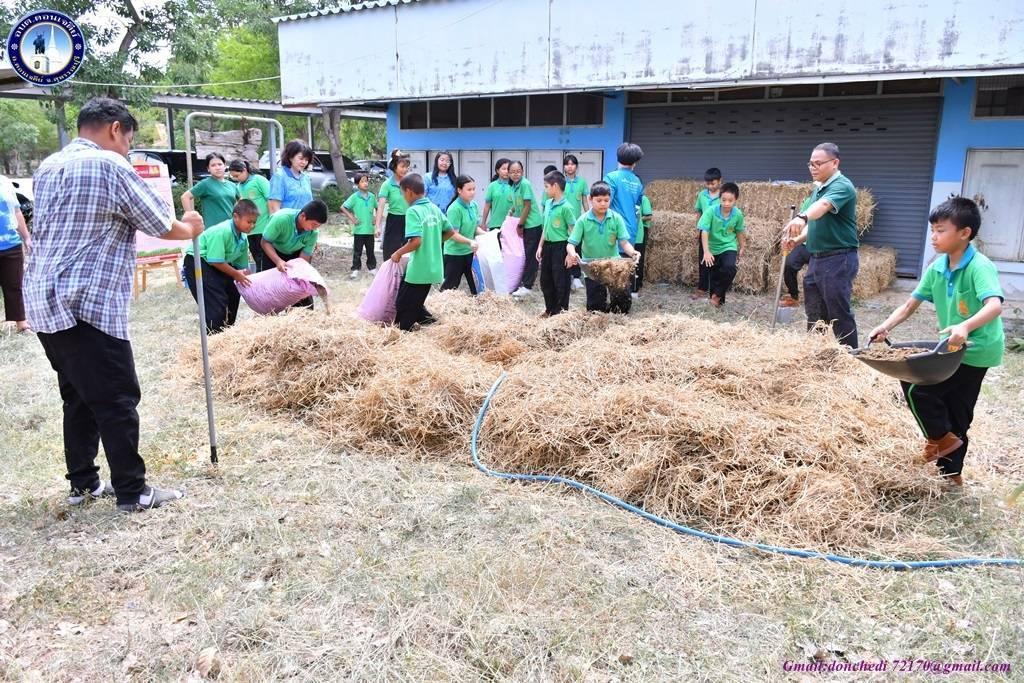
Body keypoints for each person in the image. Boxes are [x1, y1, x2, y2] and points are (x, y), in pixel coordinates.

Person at [23, 97, 204, 512]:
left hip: (45, 298)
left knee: (79, 394)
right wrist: (190, 225)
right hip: (87, 299)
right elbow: (162, 225)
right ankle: (132, 491)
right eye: (128, 140)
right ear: (114, 129)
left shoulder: (49, 166)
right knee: (116, 395)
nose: (127, 148)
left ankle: (83, 483)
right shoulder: (110, 164)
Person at [868, 197, 1004, 488]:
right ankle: (946, 457)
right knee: (928, 392)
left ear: (964, 233)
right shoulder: (937, 267)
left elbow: (994, 305)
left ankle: (944, 453)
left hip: (978, 348)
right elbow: (908, 305)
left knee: (930, 395)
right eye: (932, 230)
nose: (934, 236)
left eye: (941, 230)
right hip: (953, 348)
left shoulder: (979, 266)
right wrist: (885, 326)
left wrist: (965, 326)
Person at [783, 142, 860, 347]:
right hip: (817, 257)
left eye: (818, 163)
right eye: (810, 163)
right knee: (815, 311)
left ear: (835, 163)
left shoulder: (842, 186)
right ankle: (816, 351)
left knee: (838, 312)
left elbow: (823, 207)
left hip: (838, 257)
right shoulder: (819, 188)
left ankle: (851, 357)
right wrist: (798, 239)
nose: (812, 168)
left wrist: (801, 217)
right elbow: (817, 221)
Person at [390, 174, 475, 330]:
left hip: (419, 269)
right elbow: (449, 231)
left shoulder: (413, 211)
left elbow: (416, 241)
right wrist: (435, 241)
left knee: (402, 307)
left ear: (408, 192)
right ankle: (428, 321)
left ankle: (407, 329)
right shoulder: (434, 208)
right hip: (433, 267)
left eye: (402, 194)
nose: (403, 197)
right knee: (414, 299)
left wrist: (398, 253)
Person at [183, 199, 258, 334]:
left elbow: (241, 267)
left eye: (254, 222)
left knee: (234, 292)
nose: (252, 226)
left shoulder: (243, 239)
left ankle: (227, 331)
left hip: (219, 263)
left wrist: (246, 276)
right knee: (216, 300)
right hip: (199, 261)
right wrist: (236, 274)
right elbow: (215, 261)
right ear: (235, 217)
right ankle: (214, 336)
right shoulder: (222, 231)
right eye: (249, 221)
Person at [567, 181, 640, 314]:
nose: (603, 204)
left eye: (606, 200)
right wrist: (572, 253)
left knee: (621, 301)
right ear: (590, 199)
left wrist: (633, 252)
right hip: (592, 266)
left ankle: (617, 320)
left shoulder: (616, 218)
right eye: (599, 200)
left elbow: (624, 243)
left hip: (613, 265)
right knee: (595, 306)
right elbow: (571, 244)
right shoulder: (583, 220)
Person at [261, 199, 328, 309]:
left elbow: (305, 257)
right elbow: (265, 242)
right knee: (271, 290)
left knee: (302, 290)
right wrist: (278, 261)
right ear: (303, 216)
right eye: (313, 224)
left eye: (318, 226)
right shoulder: (281, 218)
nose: (315, 228)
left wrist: (301, 273)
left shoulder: (313, 232)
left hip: (295, 256)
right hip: (273, 252)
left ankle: (302, 317)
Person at [536, 171, 577, 318]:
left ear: (555, 186)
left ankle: (560, 313)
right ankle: (550, 309)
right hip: (548, 246)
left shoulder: (567, 207)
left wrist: (569, 254)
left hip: (561, 247)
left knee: (561, 281)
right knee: (545, 280)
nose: (545, 190)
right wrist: (540, 245)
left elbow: (574, 232)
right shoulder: (548, 203)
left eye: (546, 186)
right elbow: (545, 227)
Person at [699, 182, 746, 307]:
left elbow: (740, 231)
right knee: (715, 275)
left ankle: (717, 295)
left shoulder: (738, 214)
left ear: (736, 200)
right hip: (713, 247)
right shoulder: (710, 211)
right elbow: (704, 231)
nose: (726, 203)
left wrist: (742, 246)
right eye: (723, 200)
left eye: (730, 200)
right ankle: (718, 303)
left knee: (729, 268)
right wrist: (706, 251)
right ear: (719, 198)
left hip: (729, 246)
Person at [0, 173, 31, 332]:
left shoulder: (4, 182)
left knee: (15, 284)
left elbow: (16, 211)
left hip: (10, 243)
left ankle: (22, 323)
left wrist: (26, 237)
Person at [228, 159, 271, 271]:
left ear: (244, 170)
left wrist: (272, 220)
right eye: (233, 177)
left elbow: (270, 200)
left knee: (265, 258)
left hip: (264, 227)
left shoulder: (259, 180)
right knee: (257, 257)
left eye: (237, 176)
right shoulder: (239, 187)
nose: (236, 179)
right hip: (250, 230)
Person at [441, 174, 481, 294]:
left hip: (470, 252)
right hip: (455, 254)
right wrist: (470, 241)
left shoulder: (474, 205)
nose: (472, 192)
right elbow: (453, 234)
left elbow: (475, 228)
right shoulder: (454, 209)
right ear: (459, 190)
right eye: (469, 189)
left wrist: (489, 234)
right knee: (450, 287)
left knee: (477, 285)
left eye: (474, 189)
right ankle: (442, 307)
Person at [509, 161, 543, 297]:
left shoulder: (525, 184)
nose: (515, 174)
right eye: (512, 171)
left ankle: (528, 286)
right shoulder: (514, 186)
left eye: (518, 171)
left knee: (530, 256)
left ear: (522, 172)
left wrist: (520, 225)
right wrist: (510, 212)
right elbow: (517, 204)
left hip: (531, 225)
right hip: (524, 223)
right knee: (524, 255)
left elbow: (527, 206)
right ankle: (524, 282)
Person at [603, 143, 645, 251]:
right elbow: (638, 208)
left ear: (618, 158)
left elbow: (604, 205)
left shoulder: (611, 178)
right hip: (631, 231)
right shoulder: (637, 181)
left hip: (612, 231)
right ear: (635, 163)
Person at [181, 152, 238, 228]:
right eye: (213, 165)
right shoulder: (205, 184)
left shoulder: (232, 185)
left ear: (224, 166)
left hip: (232, 228)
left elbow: (241, 202)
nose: (217, 167)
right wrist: (191, 217)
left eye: (220, 164)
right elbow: (185, 197)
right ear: (208, 169)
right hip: (213, 230)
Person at [376, 149, 411, 261]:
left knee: (408, 251)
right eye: (402, 166)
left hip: (409, 219)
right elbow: (381, 207)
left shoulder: (410, 183)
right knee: (390, 250)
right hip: (393, 220)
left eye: (406, 167)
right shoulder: (387, 185)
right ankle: (390, 275)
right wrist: (377, 226)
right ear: (394, 167)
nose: (405, 169)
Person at [341, 172, 377, 279]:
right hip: (359, 230)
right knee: (357, 251)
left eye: (366, 181)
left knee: (371, 250)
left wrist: (375, 217)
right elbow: (343, 207)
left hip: (370, 229)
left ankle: (372, 267)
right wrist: (352, 218)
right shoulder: (354, 197)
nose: (365, 183)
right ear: (357, 184)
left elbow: (378, 207)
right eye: (362, 181)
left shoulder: (371, 196)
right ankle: (355, 269)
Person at [693, 167, 722, 298]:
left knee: (718, 261)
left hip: (718, 232)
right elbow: (698, 211)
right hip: (705, 231)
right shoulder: (702, 195)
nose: (710, 186)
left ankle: (716, 289)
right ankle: (702, 288)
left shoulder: (724, 196)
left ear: (720, 181)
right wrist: (698, 228)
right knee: (703, 260)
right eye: (708, 183)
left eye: (713, 183)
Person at [268, 140, 314, 213]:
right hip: (286, 223)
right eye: (301, 158)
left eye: (306, 160)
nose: (304, 162)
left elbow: (310, 204)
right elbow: (274, 209)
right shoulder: (279, 177)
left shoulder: (306, 178)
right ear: (290, 157)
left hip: (304, 223)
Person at [479, 158, 513, 234]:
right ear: (497, 171)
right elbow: (487, 205)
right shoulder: (492, 186)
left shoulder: (515, 185)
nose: (506, 171)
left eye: (508, 169)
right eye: (503, 169)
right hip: (495, 224)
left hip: (511, 223)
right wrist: (483, 223)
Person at [633, 193, 653, 296]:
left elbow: (648, 216)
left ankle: (638, 284)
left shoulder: (643, 199)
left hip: (640, 232)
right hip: (629, 232)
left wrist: (638, 220)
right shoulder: (625, 198)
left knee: (638, 259)